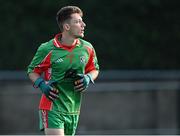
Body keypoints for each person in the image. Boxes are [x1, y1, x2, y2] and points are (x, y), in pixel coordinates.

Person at [27, 5, 99, 135]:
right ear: (66, 27)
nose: (83, 24)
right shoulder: (47, 48)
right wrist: (42, 85)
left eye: (82, 20)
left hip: (73, 109)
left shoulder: (87, 48)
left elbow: (94, 69)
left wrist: (88, 78)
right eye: (77, 21)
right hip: (51, 106)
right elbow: (32, 71)